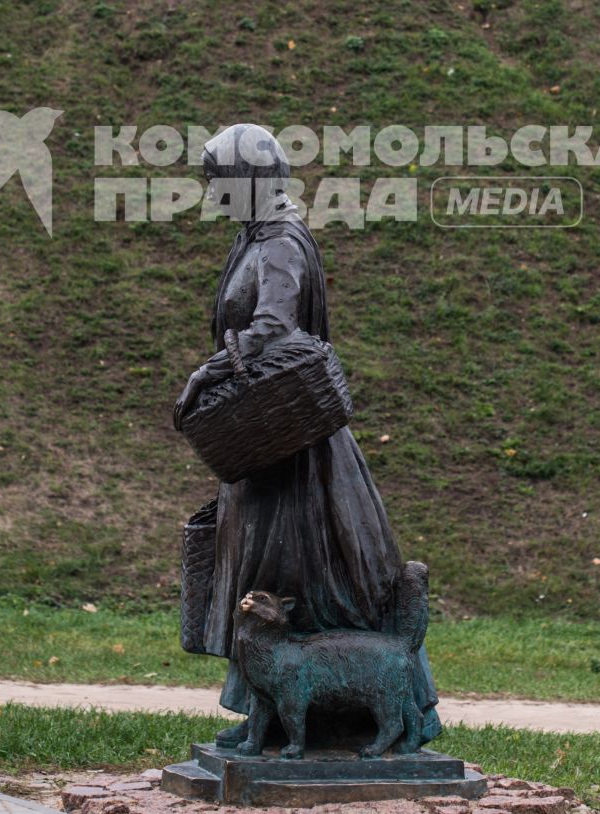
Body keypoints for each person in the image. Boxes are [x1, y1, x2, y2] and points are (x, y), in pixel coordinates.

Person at [173, 123, 441, 748]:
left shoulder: (281, 244)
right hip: (269, 446)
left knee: (300, 575)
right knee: (269, 576)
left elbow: (273, 328)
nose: (213, 197)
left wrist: (204, 373)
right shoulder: (257, 237)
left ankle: (342, 718)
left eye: (220, 184)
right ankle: (275, 715)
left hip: (296, 455)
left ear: (249, 181)